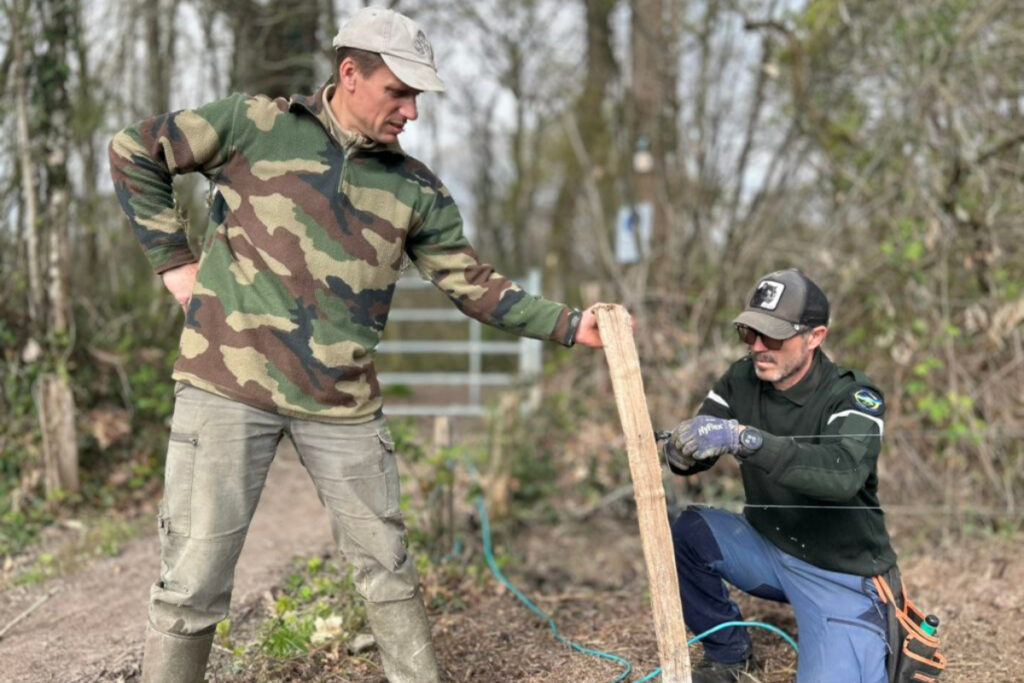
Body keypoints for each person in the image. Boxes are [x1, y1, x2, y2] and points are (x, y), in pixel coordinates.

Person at [108, 7, 608, 682]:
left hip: (342, 405)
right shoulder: (253, 124)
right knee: (193, 582)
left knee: (388, 572)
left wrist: (571, 325)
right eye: (398, 92)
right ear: (351, 73)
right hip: (226, 386)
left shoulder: (415, 189)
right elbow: (134, 148)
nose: (411, 112)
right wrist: (174, 261)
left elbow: (474, 284)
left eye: (417, 97)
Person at [662, 268, 898, 683]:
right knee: (688, 531)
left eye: (772, 336)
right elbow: (699, 448)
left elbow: (842, 475)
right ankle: (729, 653)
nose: (757, 348)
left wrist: (747, 440)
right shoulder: (740, 379)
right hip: (768, 550)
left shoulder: (854, 396)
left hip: (841, 573)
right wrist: (680, 451)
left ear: (815, 336)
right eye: (749, 333)